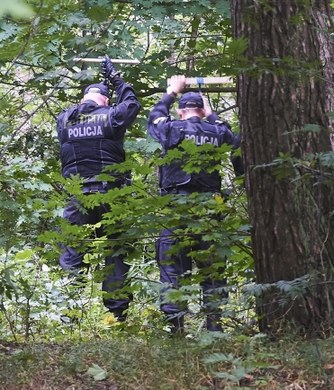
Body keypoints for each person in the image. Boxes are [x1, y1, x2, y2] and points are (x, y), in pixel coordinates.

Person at [147, 75, 244, 333]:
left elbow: (154, 116)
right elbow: (233, 139)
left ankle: (175, 328)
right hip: (209, 207)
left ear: (180, 113)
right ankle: (214, 325)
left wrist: (171, 93)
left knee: (171, 266)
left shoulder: (170, 128)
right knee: (212, 268)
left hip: (176, 206)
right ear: (203, 111)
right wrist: (212, 115)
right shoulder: (217, 131)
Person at [55, 56, 141, 322]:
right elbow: (131, 105)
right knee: (115, 253)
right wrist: (116, 80)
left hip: (78, 197)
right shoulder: (111, 117)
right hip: (111, 195)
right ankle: (118, 316)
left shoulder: (64, 120)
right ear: (105, 100)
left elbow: (85, 121)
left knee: (72, 253)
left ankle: (70, 313)